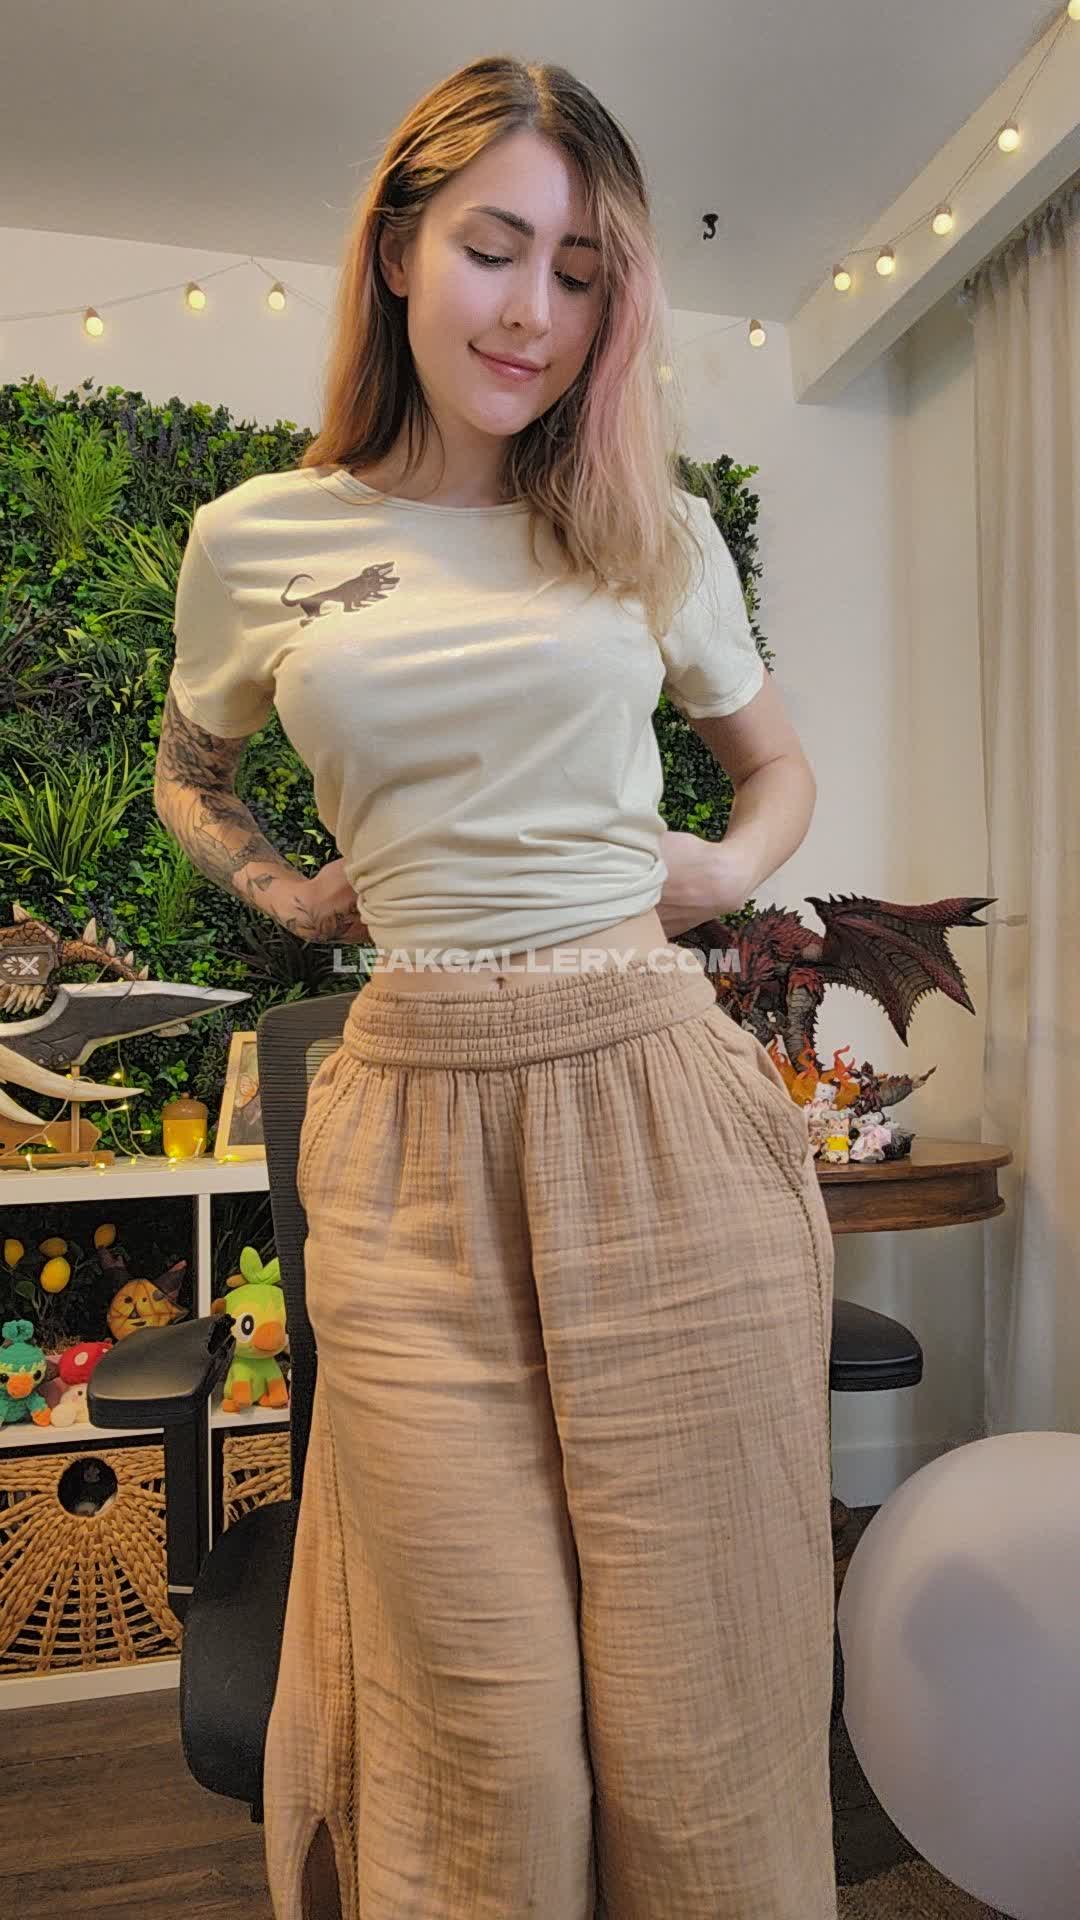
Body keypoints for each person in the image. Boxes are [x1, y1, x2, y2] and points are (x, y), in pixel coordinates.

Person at [155, 53, 837, 1920]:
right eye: (493, 247)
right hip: (407, 1142)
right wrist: (286, 891)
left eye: (583, 272)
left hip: (657, 1100)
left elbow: (777, 769)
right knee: (490, 1736)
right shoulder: (258, 539)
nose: (535, 310)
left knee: (699, 1719)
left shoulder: (650, 527)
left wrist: (723, 871)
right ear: (396, 249)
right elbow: (189, 775)